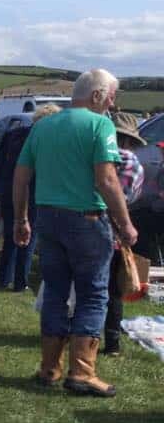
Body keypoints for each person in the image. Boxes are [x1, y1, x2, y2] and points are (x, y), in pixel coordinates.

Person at [13, 68, 137, 398]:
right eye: (112, 96)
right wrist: (125, 224)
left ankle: (49, 367)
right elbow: (107, 180)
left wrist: (20, 218)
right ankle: (82, 372)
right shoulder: (101, 124)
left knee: (54, 291)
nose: (112, 104)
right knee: (93, 294)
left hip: (48, 220)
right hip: (87, 220)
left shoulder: (43, 126)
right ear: (97, 95)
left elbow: (21, 175)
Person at [0, 104, 62, 292]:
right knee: (28, 236)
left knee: (10, 235)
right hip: (32, 192)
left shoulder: (14, 134)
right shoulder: (47, 139)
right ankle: (20, 282)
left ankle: (3, 279)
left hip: (8, 189)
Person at [103, 112, 147, 356]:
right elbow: (130, 197)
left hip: (90, 225)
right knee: (113, 292)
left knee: (88, 288)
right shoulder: (133, 163)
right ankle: (112, 343)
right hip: (116, 231)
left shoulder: (99, 157)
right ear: (130, 140)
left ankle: (78, 335)